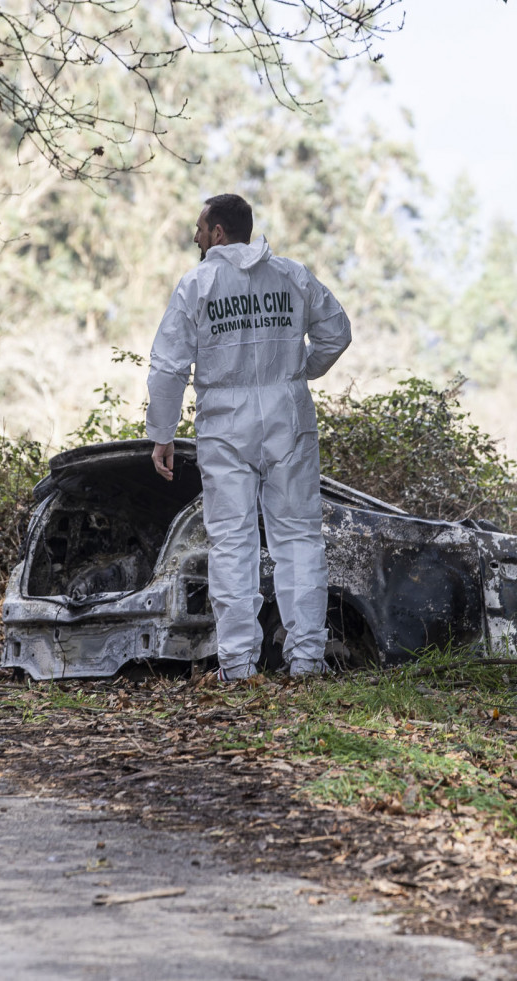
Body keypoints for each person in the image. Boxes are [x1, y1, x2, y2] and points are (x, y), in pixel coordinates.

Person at [146, 193, 351, 680]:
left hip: (224, 422)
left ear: (218, 232)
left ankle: (237, 665)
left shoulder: (198, 284)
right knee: (299, 536)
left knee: (232, 541)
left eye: (200, 228)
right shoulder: (290, 275)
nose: (195, 236)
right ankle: (305, 660)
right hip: (288, 416)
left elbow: (168, 366)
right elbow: (337, 332)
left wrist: (162, 433)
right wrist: (300, 372)